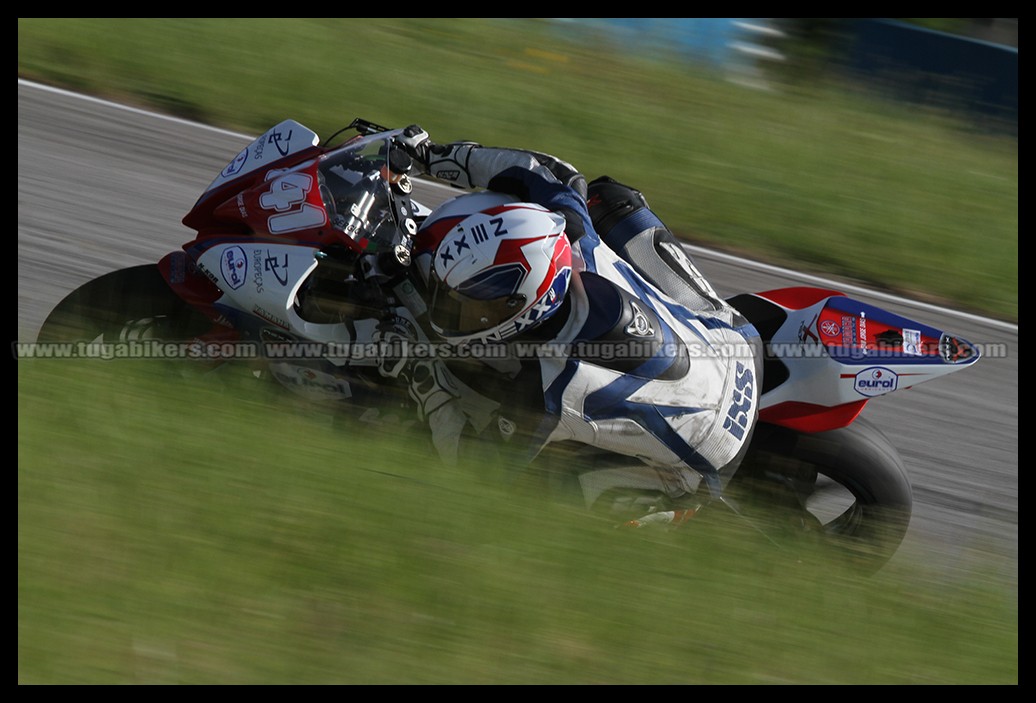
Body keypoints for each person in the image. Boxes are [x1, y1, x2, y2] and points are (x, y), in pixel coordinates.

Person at [375, 125, 763, 522]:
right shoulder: (573, 238)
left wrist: (424, 380)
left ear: (524, 306)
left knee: (535, 503)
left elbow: (477, 471)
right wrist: (434, 156)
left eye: (473, 307)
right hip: (736, 340)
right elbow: (548, 171)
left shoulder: (548, 388)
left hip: (711, 456)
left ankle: (660, 509)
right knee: (609, 197)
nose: (454, 312)